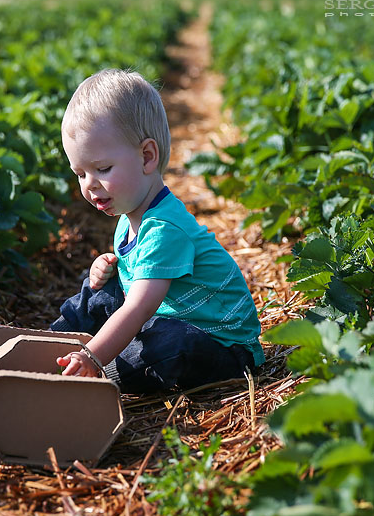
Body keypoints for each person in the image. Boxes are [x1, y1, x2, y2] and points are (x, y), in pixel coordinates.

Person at [49, 68, 264, 393]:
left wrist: (94, 356)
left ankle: (99, 375)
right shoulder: (128, 215)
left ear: (147, 156)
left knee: (167, 345)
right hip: (170, 315)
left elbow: (139, 307)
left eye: (102, 168)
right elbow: (134, 284)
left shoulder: (165, 227)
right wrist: (109, 271)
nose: (89, 185)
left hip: (221, 344)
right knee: (99, 291)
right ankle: (50, 346)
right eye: (79, 173)